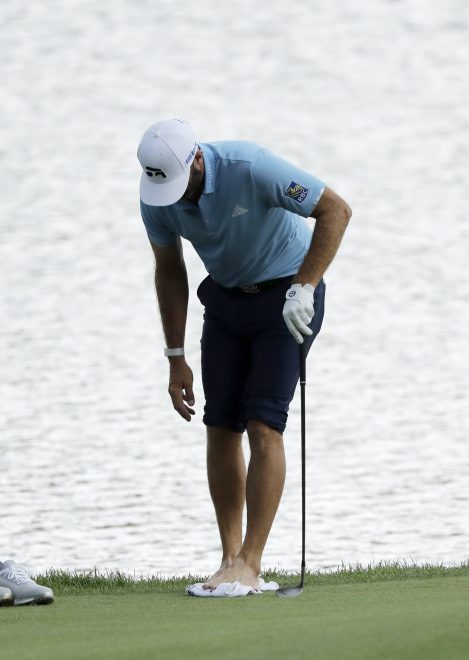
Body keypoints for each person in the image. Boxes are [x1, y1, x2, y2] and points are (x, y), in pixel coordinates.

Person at [136, 118, 351, 591]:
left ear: (195, 158)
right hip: (227, 304)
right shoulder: (156, 193)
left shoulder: (250, 167)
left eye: (179, 184)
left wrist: (306, 286)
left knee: (263, 422)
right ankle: (230, 558)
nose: (174, 198)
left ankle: (251, 562)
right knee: (220, 425)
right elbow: (169, 272)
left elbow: (335, 210)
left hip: (287, 299)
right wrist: (175, 356)